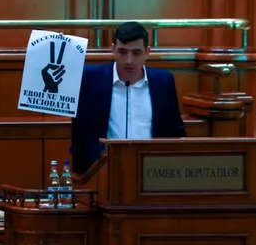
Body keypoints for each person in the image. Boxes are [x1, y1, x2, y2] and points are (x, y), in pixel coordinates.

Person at [69, 21, 187, 174]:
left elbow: (175, 131)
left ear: (147, 52)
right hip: (100, 172)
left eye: (136, 53)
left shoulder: (163, 82)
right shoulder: (88, 78)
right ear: (113, 50)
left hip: (151, 171)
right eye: (122, 52)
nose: (129, 60)